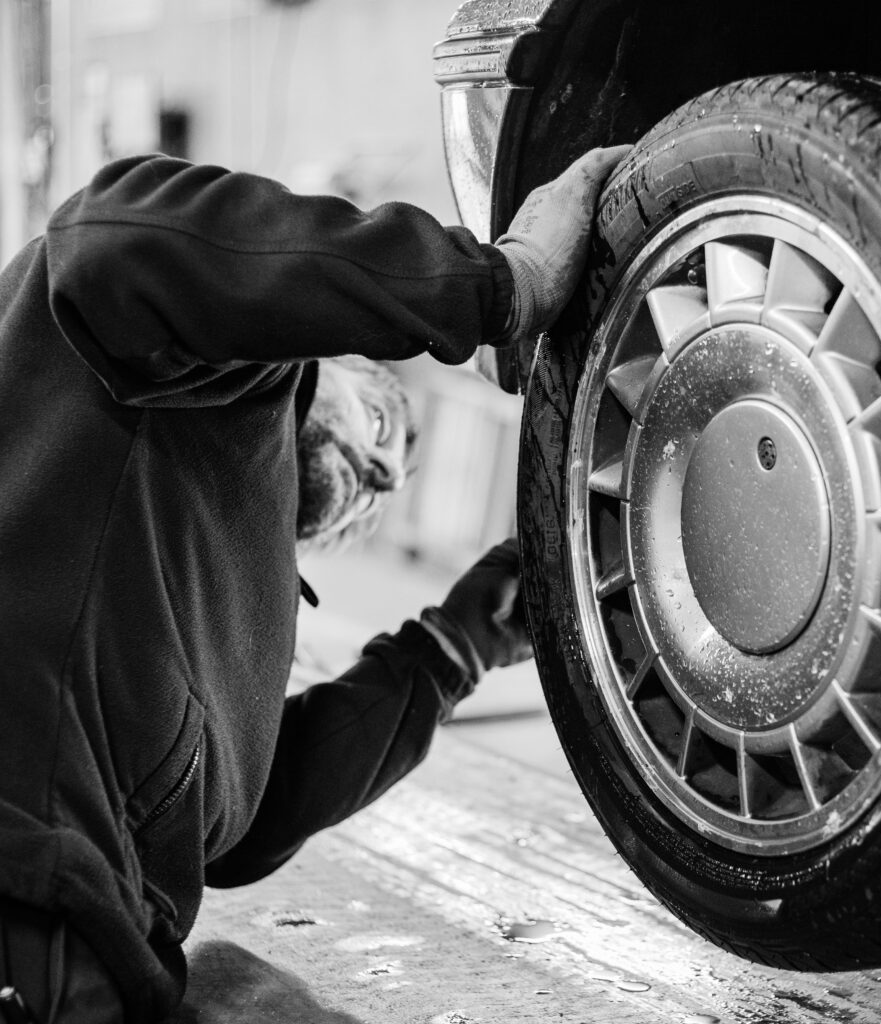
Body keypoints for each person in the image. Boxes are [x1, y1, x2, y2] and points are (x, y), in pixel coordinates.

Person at [0, 142, 630, 1021]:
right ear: (319, 349)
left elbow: (240, 830)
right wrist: (501, 285)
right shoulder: (149, 367)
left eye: (384, 489)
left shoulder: (200, 587)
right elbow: (111, 239)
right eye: (382, 421)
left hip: (100, 960)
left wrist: (461, 642)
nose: (380, 475)